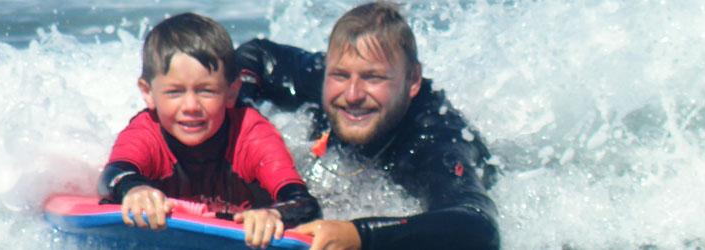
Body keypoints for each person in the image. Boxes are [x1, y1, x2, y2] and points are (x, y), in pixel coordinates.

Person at [235, 2, 500, 249]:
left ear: (413, 80)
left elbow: (479, 225)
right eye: (339, 75)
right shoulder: (325, 78)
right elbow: (257, 54)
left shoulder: (434, 140)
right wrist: (240, 115)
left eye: (373, 77)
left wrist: (359, 234)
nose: (352, 95)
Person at [96, 13, 321, 249]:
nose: (191, 107)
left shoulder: (252, 133)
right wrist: (134, 189)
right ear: (148, 92)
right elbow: (111, 176)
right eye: (174, 92)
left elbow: (304, 203)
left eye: (206, 91)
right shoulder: (146, 131)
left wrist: (275, 215)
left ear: (232, 91)